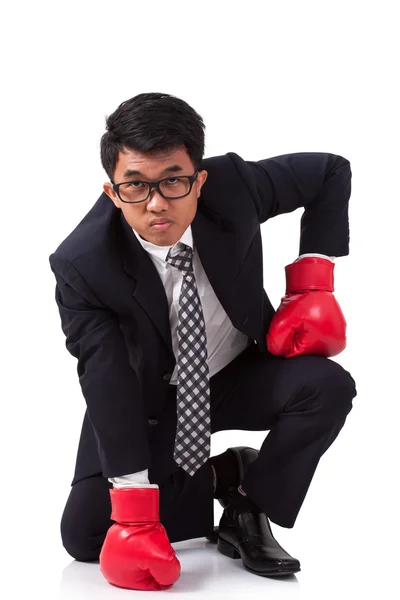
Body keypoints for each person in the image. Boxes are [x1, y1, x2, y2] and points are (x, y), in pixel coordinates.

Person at [49, 92, 357, 591]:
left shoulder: (236, 187)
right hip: (150, 396)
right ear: (111, 191)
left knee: (326, 384)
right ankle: (222, 476)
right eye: (135, 185)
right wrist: (134, 507)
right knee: (86, 538)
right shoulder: (82, 266)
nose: (156, 203)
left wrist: (312, 284)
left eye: (173, 180)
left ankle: (249, 508)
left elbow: (329, 173)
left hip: (238, 373)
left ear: (200, 180)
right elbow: (107, 383)